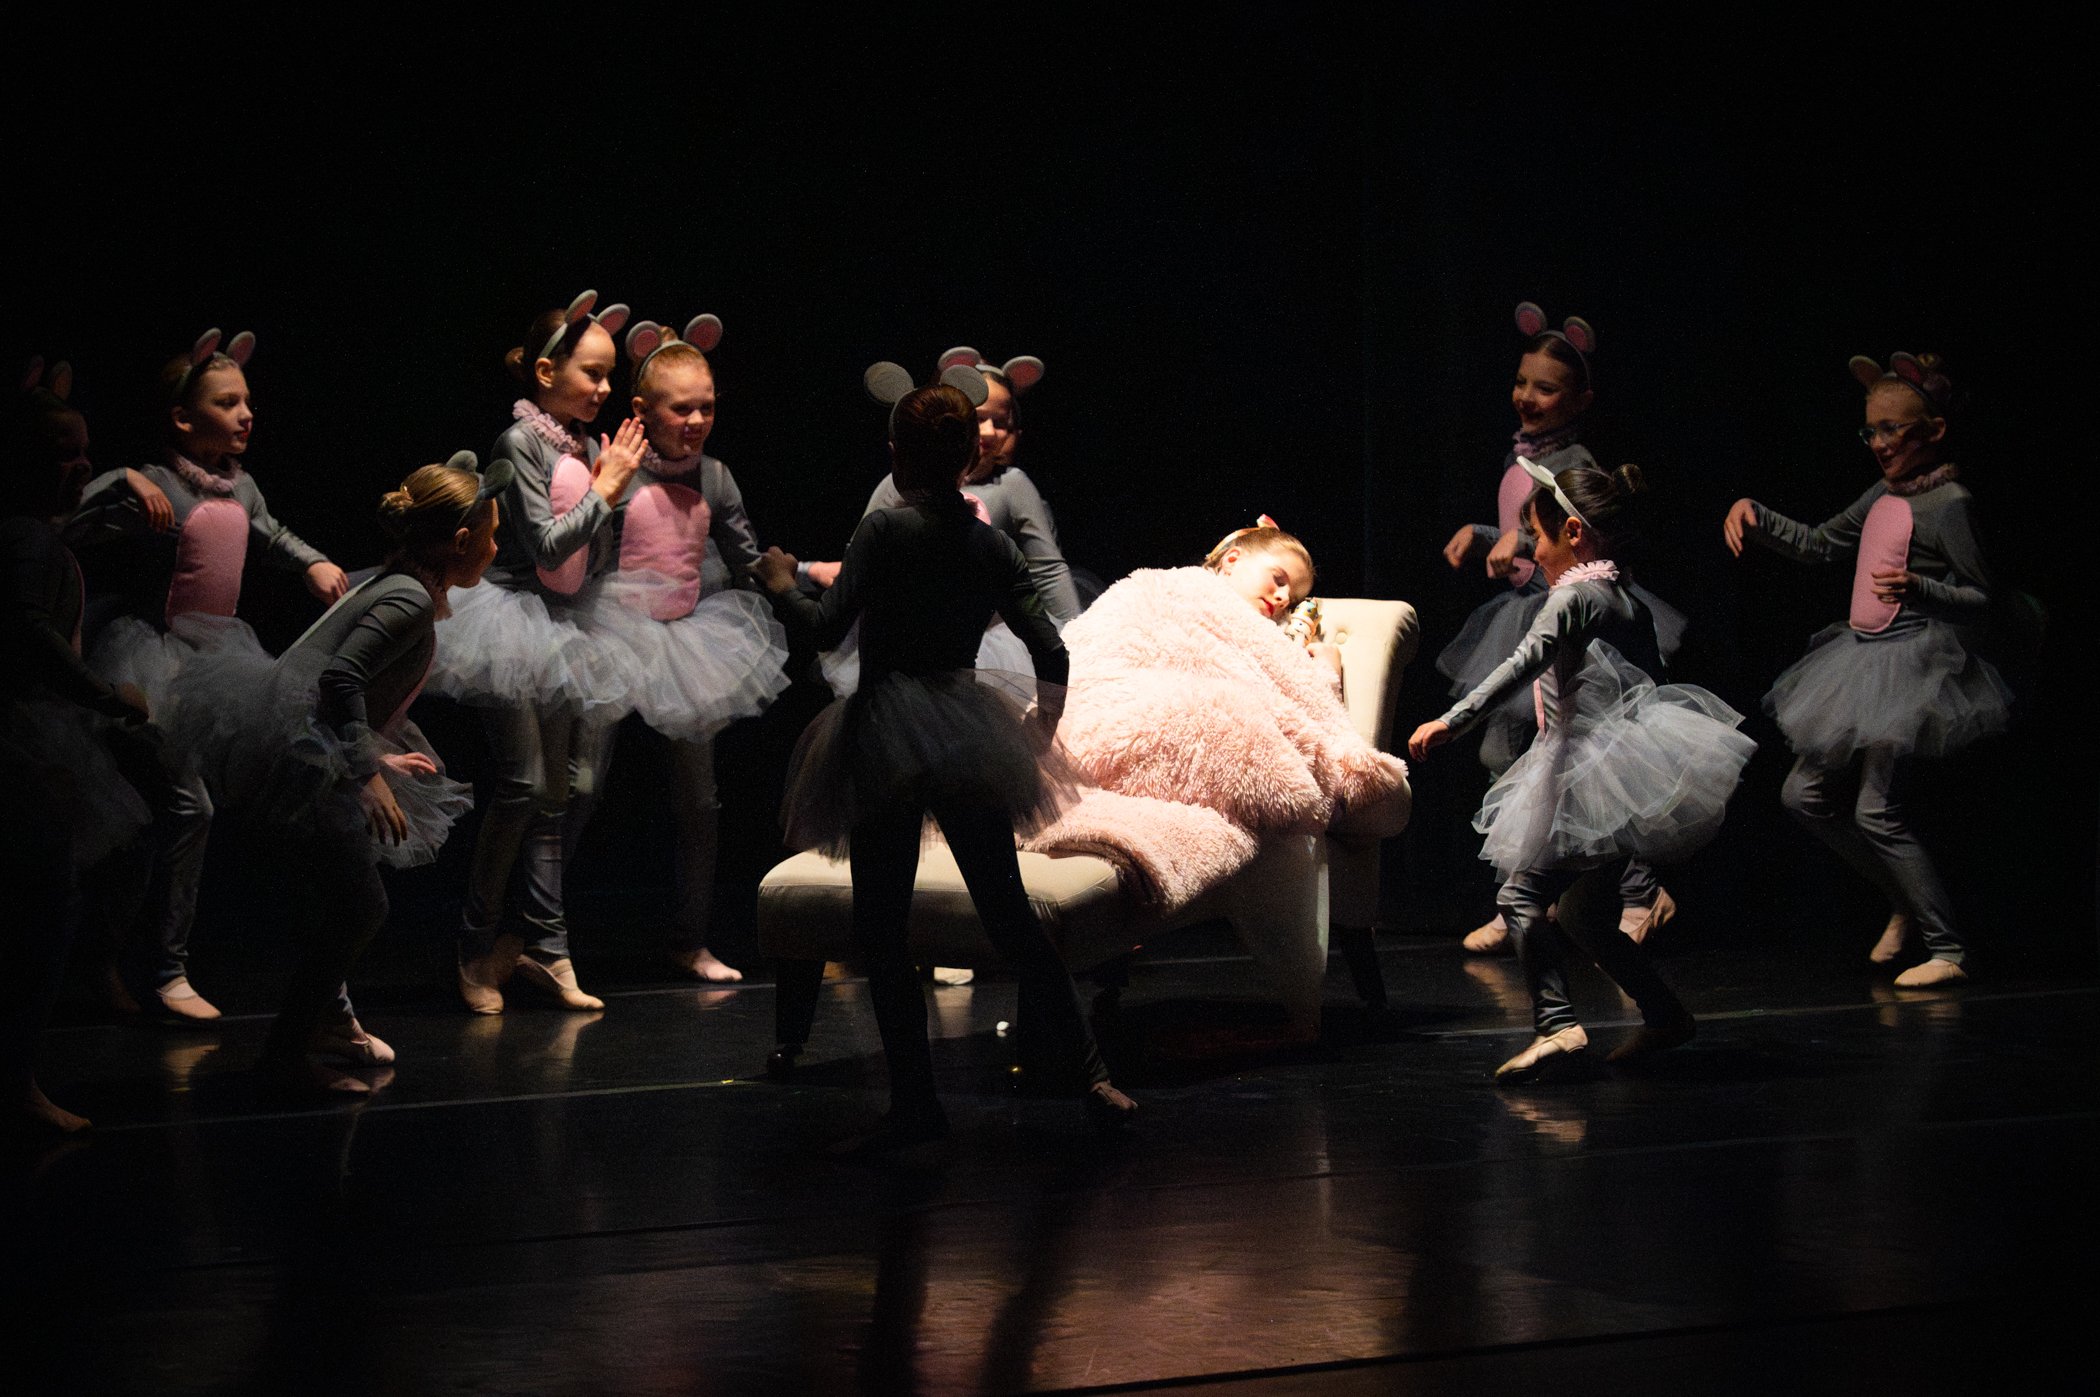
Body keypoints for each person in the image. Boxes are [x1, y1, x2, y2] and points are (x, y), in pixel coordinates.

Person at [750, 370, 1134, 1153]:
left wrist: (782, 584)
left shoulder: (883, 531)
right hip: (964, 728)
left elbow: (824, 629)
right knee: (1009, 912)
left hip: (885, 728)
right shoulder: (989, 542)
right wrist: (1041, 726)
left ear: (896, 454)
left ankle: (917, 1105)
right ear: (966, 459)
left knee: (882, 928)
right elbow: (1051, 646)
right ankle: (1091, 1071)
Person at [1413, 461, 1754, 1081]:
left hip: (1584, 768)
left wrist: (1451, 721)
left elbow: (1521, 663)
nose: (1533, 551)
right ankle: (1665, 1016)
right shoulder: (1627, 598)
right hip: (1623, 767)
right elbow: (1650, 684)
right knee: (1582, 916)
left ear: (1573, 533)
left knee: (1520, 895)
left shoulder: (1572, 597)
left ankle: (1557, 1026)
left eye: (1537, 538)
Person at [172, 456, 500, 1094]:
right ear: (461, 542)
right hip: (307, 755)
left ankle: (321, 1026)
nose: (494, 550)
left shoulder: (400, 580)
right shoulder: (408, 596)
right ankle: (287, 1054)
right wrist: (366, 772)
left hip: (315, 747)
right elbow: (340, 677)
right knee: (359, 906)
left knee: (339, 904)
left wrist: (378, 756)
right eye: (490, 539)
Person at [64, 329, 347, 1023]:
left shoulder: (240, 485)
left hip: (213, 666)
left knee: (186, 815)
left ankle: (133, 960)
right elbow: (64, 518)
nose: (246, 414)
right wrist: (121, 478)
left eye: (247, 400)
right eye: (227, 403)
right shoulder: (154, 484)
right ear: (183, 419)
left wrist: (313, 562)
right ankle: (159, 967)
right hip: (147, 661)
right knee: (185, 809)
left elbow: (272, 534)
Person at [1723, 352, 2009, 987]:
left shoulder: (1950, 502)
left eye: (1892, 430)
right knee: (1801, 796)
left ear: (1933, 431)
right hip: (1859, 659)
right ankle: (1905, 900)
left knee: (1876, 811)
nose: (1879, 444)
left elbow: (1984, 597)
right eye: (1870, 431)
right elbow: (1820, 543)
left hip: (1915, 664)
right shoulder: (1884, 492)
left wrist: (1922, 589)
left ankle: (1949, 948)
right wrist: (1754, 512)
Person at [1435, 304, 1685, 954]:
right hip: (1529, 604)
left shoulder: (1574, 459)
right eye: (1521, 382)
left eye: (1545, 388)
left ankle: (1631, 890)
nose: (1527, 397)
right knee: (1511, 758)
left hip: (1575, 611)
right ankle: (1522, 892)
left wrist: (1515, 538)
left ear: (1580, 400)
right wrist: (1484, 533)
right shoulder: (1524, 451)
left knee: (1593, 760)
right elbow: (1521, 528)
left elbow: (1576, 531)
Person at [427, 292, 646, 1014]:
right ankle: (473, 944)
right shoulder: (517, 442)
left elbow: (587, 557)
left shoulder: (577, 446)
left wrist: (612, 489)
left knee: (563, 793)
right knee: (522, 784)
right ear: (547, 373)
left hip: (560, 624)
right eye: (593, 373)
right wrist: (606, 490)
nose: (605, 387)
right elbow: (547, 547)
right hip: (507, 620)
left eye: (610, 374)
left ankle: (543, 946)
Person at [569, 315, 791, 983]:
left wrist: (805, 573)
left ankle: (690, 938)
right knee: (581, 786)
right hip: (611, 634)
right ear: (642, 410)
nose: (696, 421)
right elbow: (579, 550)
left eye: (707, 407)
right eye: (680, 408)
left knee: (700, 800)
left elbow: (748, 559)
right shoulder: (612, 466)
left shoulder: (716, 477)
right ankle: (534, 935)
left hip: (689, 639)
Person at [2, 364, 159, 1131]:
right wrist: (101, 693)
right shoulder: (26, 538)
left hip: (33, 732)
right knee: (41, 904)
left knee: (49, 896)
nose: (82, 465)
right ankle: (14, 1083)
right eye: (64, 454)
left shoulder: (37, 533)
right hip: (20, 737)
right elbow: (28, 629)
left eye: (85, 451)